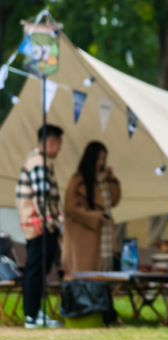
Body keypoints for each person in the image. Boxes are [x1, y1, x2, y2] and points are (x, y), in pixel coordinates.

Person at [15, 124, 64, 329]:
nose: (60, 149)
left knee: (40, 268)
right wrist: (53, 222)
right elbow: (41, 199)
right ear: (50, 142)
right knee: (35, 269)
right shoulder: (38, 163)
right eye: (59, 143)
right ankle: (31, 315)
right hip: (39, 226)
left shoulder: (43, 162)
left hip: (41, 225)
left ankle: (35, 312)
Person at [62, 141, 122, 278]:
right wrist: (94, 216)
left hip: (104, 233)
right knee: (86, 275)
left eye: (103, 158)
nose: (101, 162)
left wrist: (113, 180)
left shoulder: (104, 179)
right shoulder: (78, 179)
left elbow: (113, 201)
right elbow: (71, 206)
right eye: (98, 158)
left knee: (103, 273)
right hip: (85, 235)